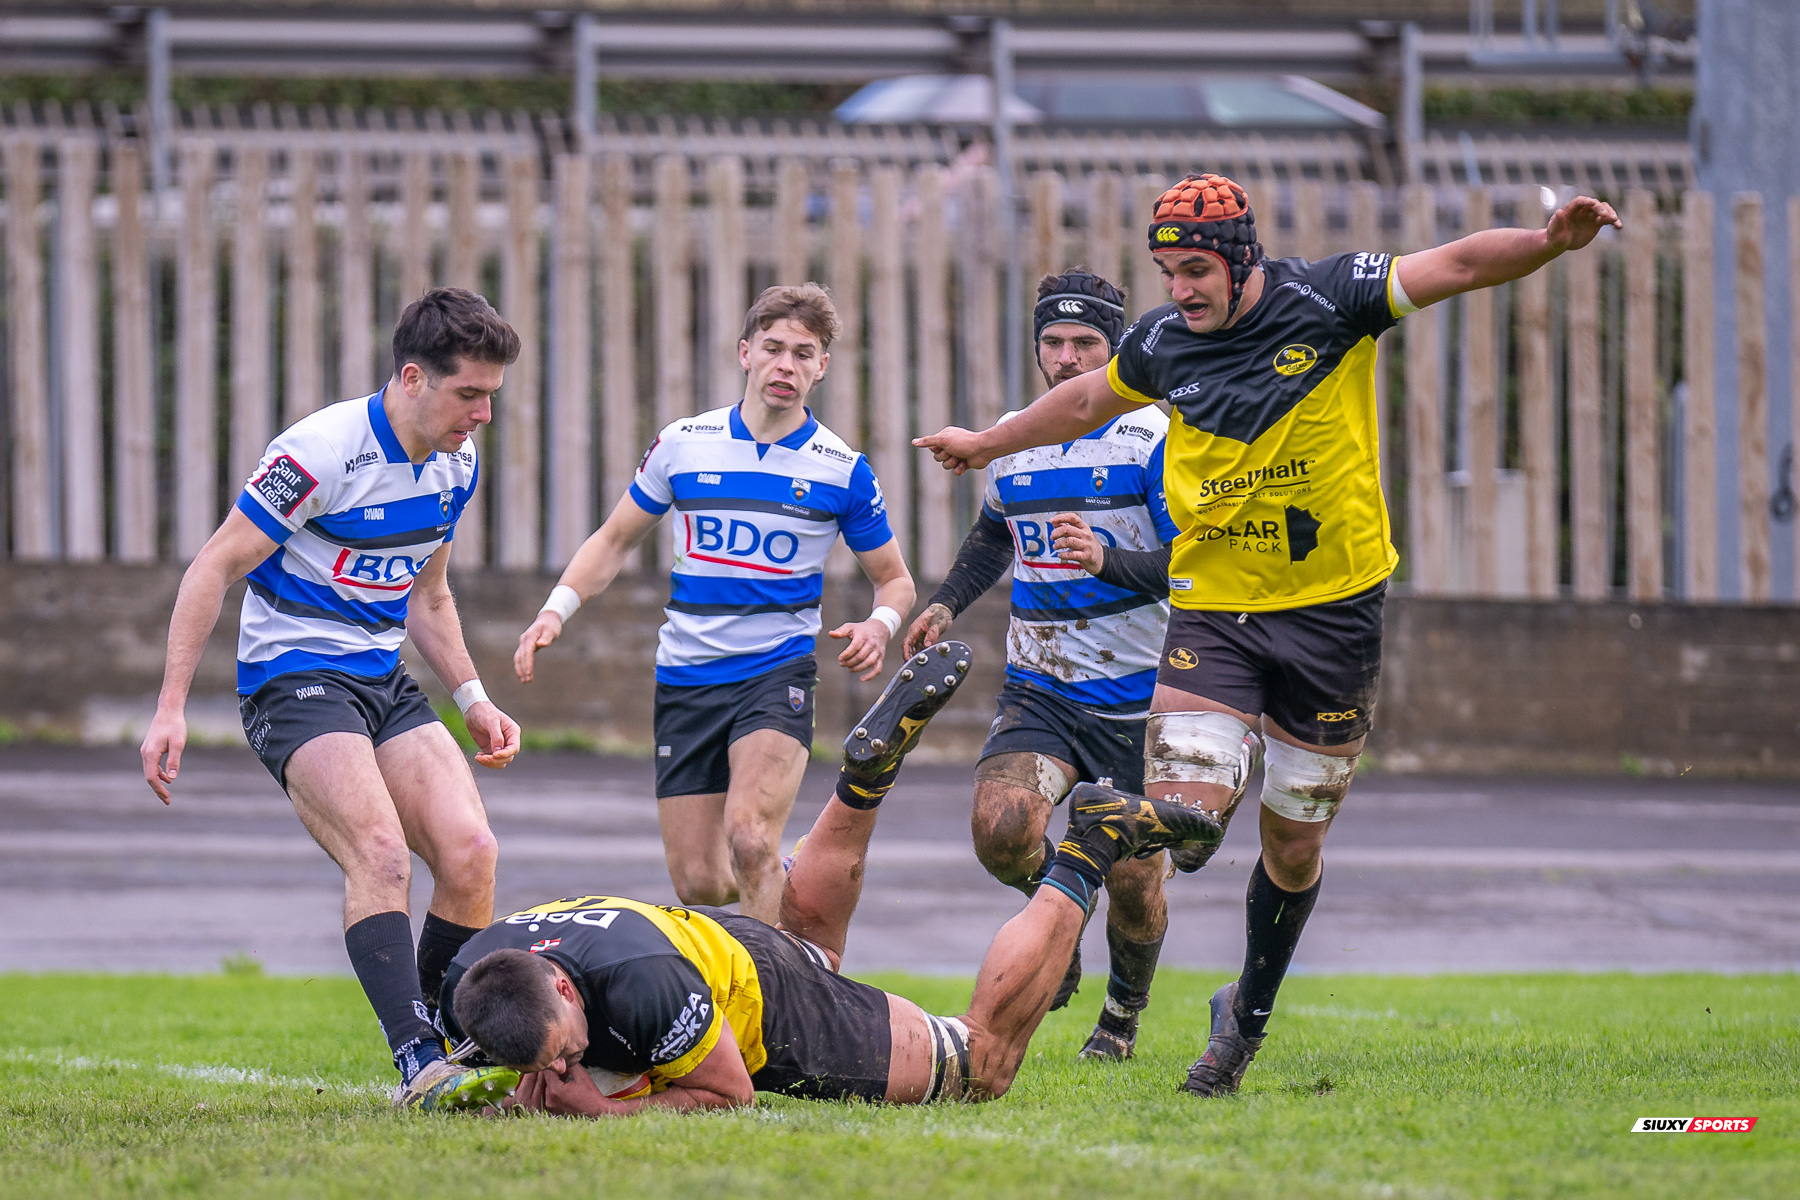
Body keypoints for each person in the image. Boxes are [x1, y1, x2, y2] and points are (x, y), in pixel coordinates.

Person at [916, 174, 1622, 1097]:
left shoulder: (1332, 299)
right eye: (1168, 272)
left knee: (1293, 848)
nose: (1181, 290)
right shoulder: (1164, 343)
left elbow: (1453, 263)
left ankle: (1240, 1019)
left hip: (1335, 616)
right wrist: (988, 442)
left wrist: (1548, 243)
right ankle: (1109, 863)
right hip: (1216, 608)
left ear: (1244, 257)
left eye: (1197, 269)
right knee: (1193, 822)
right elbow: (1087, 402)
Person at [430, 644, 1226, 1115]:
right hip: (722, 938)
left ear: (565, 992)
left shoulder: (642, 992)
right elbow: (452, 1069)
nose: (562, 1070)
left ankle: (1091, 844)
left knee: (979, 1065)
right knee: (810, 943)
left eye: (563, 1054)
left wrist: (598, 1110)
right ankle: (863, 780)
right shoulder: (470, 981)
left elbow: (729, 1096)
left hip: (759, 996)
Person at [140, 288, 526, 1106]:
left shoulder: (457, 462)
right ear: (413, 378)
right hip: (293, 676)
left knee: (471, 853)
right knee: (380, 854)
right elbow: (214, 566)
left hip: (381, 676)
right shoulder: (319, 452)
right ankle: (417, 1060)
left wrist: (473, 696)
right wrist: (171, 706)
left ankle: (447, 1046)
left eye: (492, 396)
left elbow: (428, 597)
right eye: (470, 395)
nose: (483, 414)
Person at [514, 284, 915, 924]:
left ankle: (772, 1009)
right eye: (774, 349)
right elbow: (614, 539)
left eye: (803, 354)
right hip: (686, 678)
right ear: (745, 353)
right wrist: (554, 610)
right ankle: (794, 877)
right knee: (700, 883)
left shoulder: (842, 469)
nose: (786, 365)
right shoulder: (683, 443)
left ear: (822, 367)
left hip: (774, 673)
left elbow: (895, 580)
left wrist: (880, 622)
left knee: (751, 837)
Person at [901, 267, 1179, 1061]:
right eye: (1053, 343)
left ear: (1116, 347)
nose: (1066, 357)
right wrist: (947, 601)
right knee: (1002, 830)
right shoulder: (1015, 438)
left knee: (1135, 882)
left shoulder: (1153, 437)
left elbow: (1193, 559)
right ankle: (1064, 909)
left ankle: (1122, 1019)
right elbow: (995, 531)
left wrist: (1109, 560)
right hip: (1041, 685)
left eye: (1084, 342)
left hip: (1140, 697)